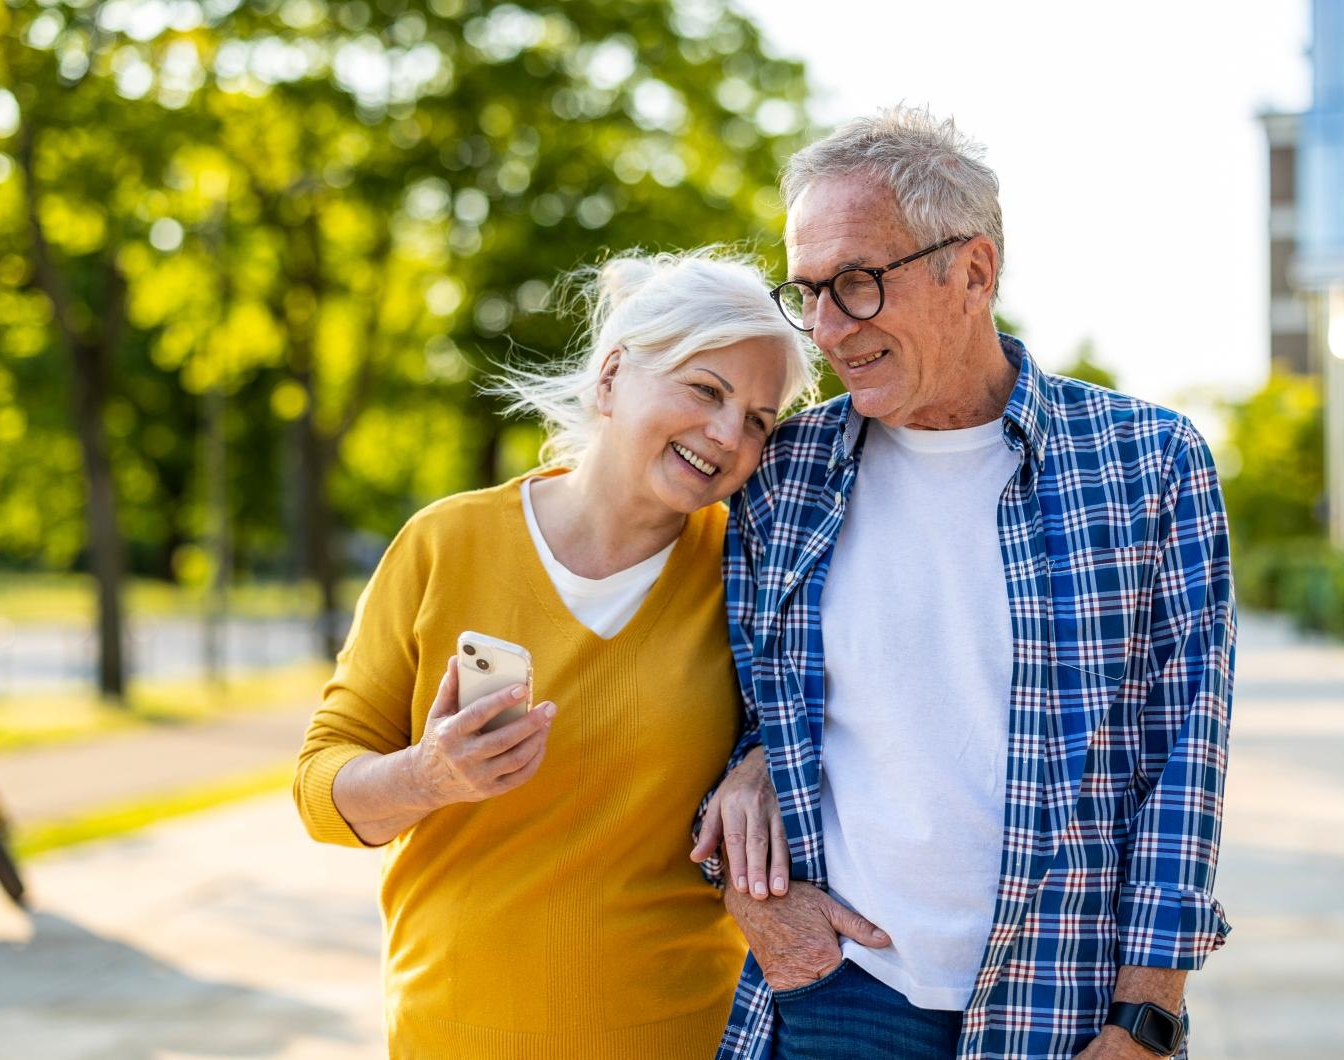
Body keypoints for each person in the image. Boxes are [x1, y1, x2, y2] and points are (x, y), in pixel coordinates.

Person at [705, 106, 1235, 1060]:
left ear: (974, 271)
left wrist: (1147, 1018)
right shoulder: (779, 475)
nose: (826, 330)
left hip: (1067, 1006)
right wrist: (749, 818)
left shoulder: (1148, 463)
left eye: (857, 285)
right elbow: (712, 694)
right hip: (839, 990)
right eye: (808, 291)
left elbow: (1183, 755)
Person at [293, 248, 819, 1058]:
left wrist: (764, 762)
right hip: (452, 1034)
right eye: (705, 390)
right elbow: (321, 792)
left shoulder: (751, 574)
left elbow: (842, 720)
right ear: (611, 378)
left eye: (757, 419)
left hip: (679, 1037)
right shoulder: (446, 544)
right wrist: (426, 776)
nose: (726, 434)